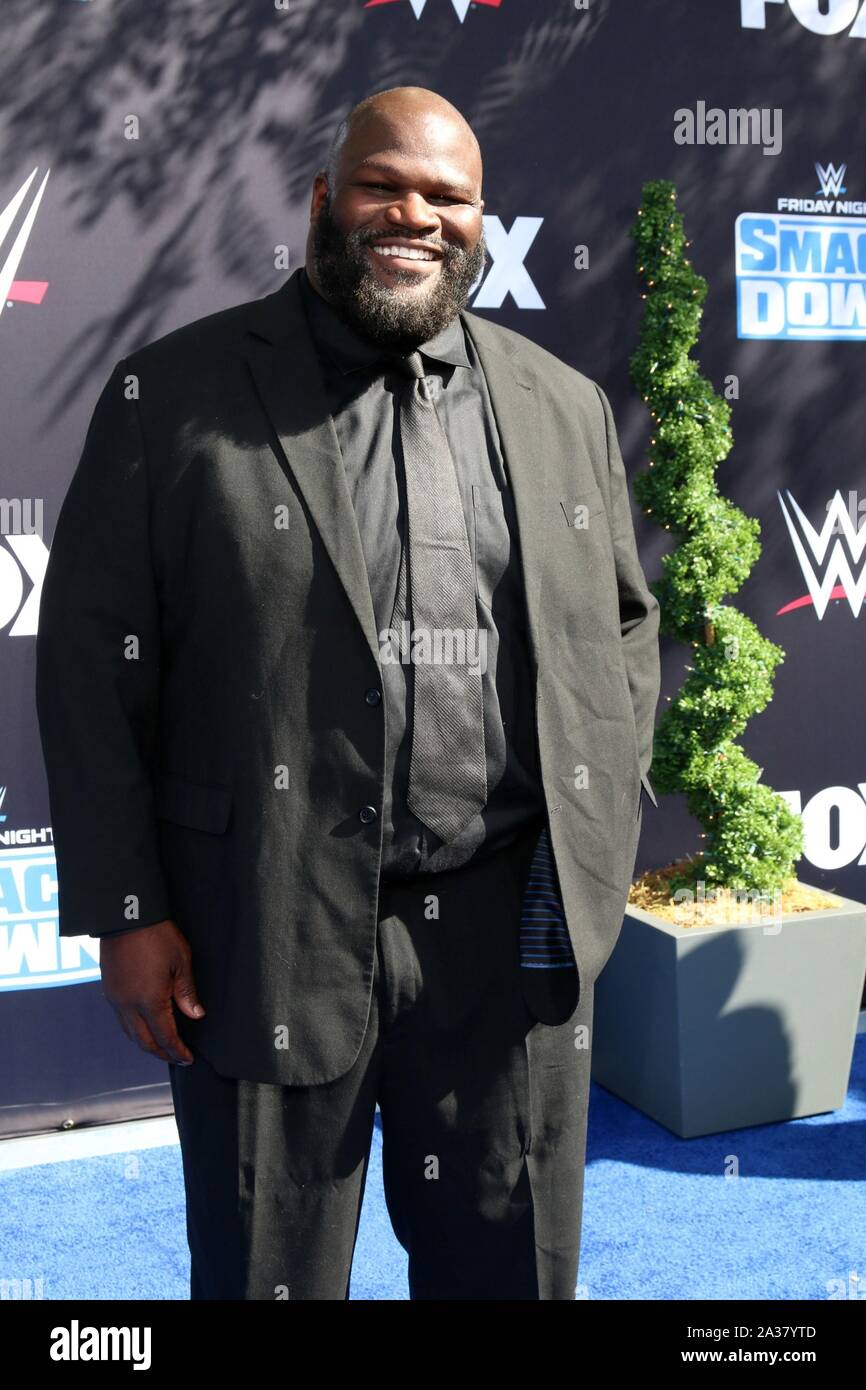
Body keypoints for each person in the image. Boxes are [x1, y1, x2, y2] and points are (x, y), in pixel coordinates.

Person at [35, 85, 661, 1300]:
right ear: (324, 199)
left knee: (510, 1274)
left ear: (483, 221)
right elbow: (88, 664)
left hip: (503, 933)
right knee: (267, 1274)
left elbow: (620, 629)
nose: (412, 214)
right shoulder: (171, 397)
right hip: (258, 927)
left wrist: (589, 842)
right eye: (383, 184)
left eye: (446, 196)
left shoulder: (560, 407)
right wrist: (127, 907)